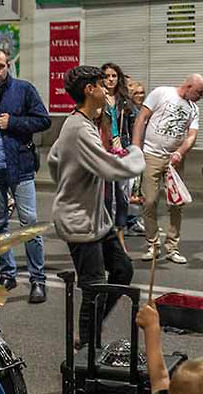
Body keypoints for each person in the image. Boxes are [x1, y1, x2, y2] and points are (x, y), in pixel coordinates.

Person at [48, 65, 145, 348]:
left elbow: (54, 158)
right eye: (103, 86)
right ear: (90, 90)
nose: (107, 90)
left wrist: (69, 181)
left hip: (95, 218)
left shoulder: (84, 122)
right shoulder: (78, 128)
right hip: (79, 221)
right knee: (93, 287)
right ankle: (88, 352)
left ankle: (92, 327)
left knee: (122, 269)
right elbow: (110, 167)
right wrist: (138, 154)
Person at [0, 48, 51, 302]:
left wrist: (13, 122)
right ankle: (7, 272)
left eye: (1, 66)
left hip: (21, 167)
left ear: (8, 66)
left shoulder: (23, 89)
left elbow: (43, 120)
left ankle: (38, 280)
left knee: (30, 224)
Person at [133, 74, 203, 265]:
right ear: (189, 86)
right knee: (149, 201)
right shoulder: (161, 93)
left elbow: (191, 135)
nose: (202, 96)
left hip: (174, 161)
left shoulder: (193, 109)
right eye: (200, 92)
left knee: (175, 203)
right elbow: (141, 118)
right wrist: (136, 148)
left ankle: (172, 247)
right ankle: (153, 244)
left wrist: (180, 152)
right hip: (151, 155)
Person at [100, 62, 138, 244]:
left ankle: (121, 238)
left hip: (122, 149)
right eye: (107, 76)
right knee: (106, 196)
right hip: (104, 151)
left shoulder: (125, 101)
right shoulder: (97, 99)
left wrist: (134, 150)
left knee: (122, 197)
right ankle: (108, 237)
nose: (110, 80)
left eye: (114, 76)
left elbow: (134, 125)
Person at [125, 78, 148, 236]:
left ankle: (133, 220)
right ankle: (128, 222)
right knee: (131, 187)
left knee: (137, 188)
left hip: (141, 150)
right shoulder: (129, 111)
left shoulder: (143, 109)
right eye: (136, 93)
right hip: (132, 151)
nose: (140, 95)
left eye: (142, 92)